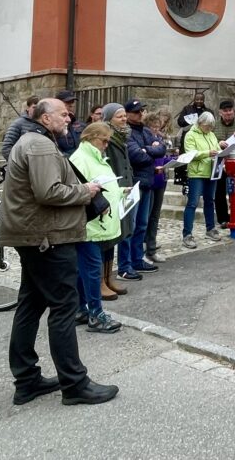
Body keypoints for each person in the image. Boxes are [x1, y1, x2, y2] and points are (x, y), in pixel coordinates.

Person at [0, 97, 117, 406]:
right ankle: (75, 384)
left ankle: (26, 379)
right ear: (45, 119)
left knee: (31, 304)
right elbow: (48, 191)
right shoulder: (39, 146)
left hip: (35, 235)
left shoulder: (32, 142)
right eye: (63, 114)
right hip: (48, 238)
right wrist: (86, 190)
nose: (69, 118)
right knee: (64, 307)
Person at [69, 122, 124, 334]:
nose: (106, 145)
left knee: (86, 269)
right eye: (104, 141)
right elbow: (77, 189)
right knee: (91, 269)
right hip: (89, 223)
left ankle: (81, 309)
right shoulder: (81, 158)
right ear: (91, 137)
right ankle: (95, 314)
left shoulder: (93, 156)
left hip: (97, 222)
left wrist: (120, 192)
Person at [119, 99, 160, 279]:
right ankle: (125, 265)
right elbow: (136, 156)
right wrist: (151, 150)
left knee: (142, 225)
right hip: (134, 183)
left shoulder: (145, 131)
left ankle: (137, 259)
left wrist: (147, 150)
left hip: (147, 182)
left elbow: (162, 148)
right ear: (127, 114)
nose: (140, 114)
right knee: (130, 226)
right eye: (136, 112)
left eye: (141, 111)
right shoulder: (126, 132)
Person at [98, 103, 134, 298]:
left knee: (116, 235)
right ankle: (101, 280)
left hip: (121, 189)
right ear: (109, 118)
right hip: (112, 189)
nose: (124, 119)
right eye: (119, 116)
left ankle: (109, 276)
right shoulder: (107, 137)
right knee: (107, 237)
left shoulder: (121, 135)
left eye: (124, 116)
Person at [182, 110, 222, 248]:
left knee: (210, 201)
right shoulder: (190, 135)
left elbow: (217, 149)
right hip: (197, 174)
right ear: (200, 123)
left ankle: (210, 229)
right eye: (207, 126)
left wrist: (221, 153)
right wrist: (207, 153)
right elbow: (191, 154)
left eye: (211, 127)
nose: (209, 129)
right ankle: (187, 234)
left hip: (211, 172)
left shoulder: (211, 135)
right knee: (192, 203)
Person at [142, 108, 174, 264]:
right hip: (149, 180)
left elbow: (162, 157)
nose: (156, 129)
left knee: (155, 216)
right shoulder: (144, 140)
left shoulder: (160, 140)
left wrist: (174, 160)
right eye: (153, 127)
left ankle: (151, 249)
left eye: (157, 126)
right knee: (145, 217)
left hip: (161, 180)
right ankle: (141, 251)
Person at [214, 100, 235, 227]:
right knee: (219, 192)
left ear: (233, 111)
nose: (228, 113)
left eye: (230, 110)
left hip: (234, 162)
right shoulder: (215, 125)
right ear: (220, 113)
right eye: (225, 111)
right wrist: (218, 143)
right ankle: (223, 219)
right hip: (219, 162)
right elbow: (208, 137)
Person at [0, 95, 41, 161]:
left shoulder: (44, 124)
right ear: (28, 108)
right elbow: (6, 149)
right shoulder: (18, 124)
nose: (37, 110)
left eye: (39, 108)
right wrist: (20, 164)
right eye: (34, 107)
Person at [54, 89, 84, 156]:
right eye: (67, 102)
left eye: (72, 102)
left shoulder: (79, 124)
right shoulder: (54, 124)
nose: (71, 105)